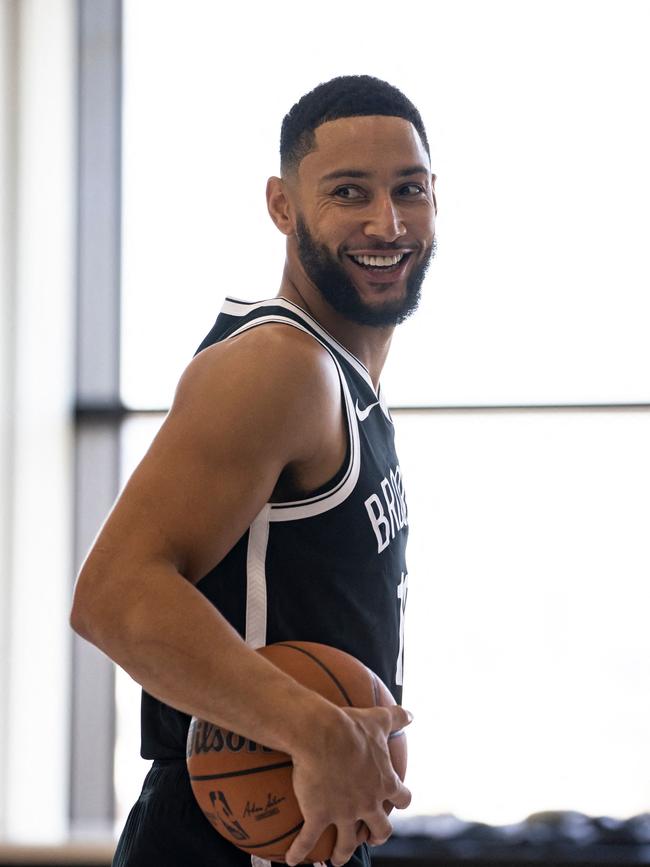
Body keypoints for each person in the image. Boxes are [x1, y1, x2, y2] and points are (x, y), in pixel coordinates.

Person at [70, 74, 437, 867]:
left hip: (305, 829)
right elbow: (113, 594)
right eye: (350, 192)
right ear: (282, 206)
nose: (388, 221)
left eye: (410, 189)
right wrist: (314, 728)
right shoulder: (279, 366)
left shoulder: (344, 379)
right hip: (228, 835)